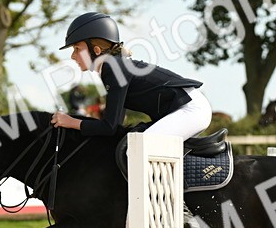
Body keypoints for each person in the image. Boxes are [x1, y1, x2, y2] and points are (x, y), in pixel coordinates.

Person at [49, 12, 210, 142]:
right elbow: (115, 125)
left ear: (96, 50)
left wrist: (71, 122)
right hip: (185, 108)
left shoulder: (114, 68)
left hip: (189, 109)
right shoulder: (113, 67)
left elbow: (110, 128)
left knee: (140, 147)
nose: (73, 56)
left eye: (77, 48)